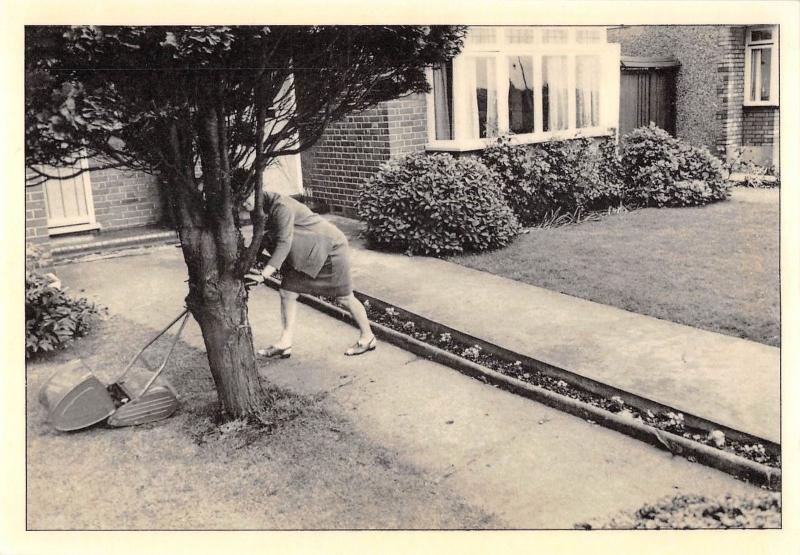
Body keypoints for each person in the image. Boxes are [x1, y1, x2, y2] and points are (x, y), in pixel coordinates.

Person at [244, 189, 376, 358]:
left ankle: (368, 337)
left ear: (255, 190)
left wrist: (264, 275)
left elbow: (284, 242)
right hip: (308, 254)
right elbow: (259, 238)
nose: (242, 204)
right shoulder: (257, 208)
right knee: (287, 292)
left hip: (330, 248)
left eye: (244, 198)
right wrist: (246, 266)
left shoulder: (281, 206)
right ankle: (285, 343)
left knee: (344, 297)